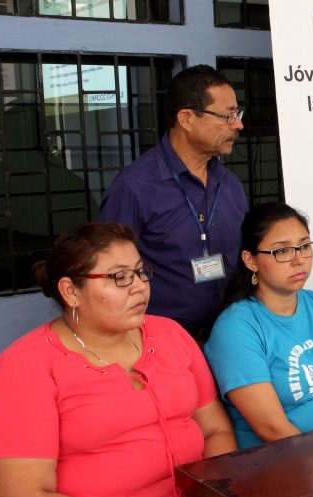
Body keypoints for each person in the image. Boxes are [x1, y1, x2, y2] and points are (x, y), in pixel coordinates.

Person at [0, 222, 237, 497]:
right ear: (71, 291)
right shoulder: (22, 370)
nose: (139, 287)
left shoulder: (171, 336)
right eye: (119, 277)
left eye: (140, 272)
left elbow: (215, 430)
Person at [204, 203, 313, 449]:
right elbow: (273, 429)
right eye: (282, 251)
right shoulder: (236, 328)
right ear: (251, 260)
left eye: (304, 246)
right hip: (288, 461)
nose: (299, 260)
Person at [99, 64, 248, 340]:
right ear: (187, 118)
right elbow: (109, 272)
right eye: (228, 115)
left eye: (237, 114)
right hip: (162, 341)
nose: (237, 124)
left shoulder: (229, 184)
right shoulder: (134, 187)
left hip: (229, 335)